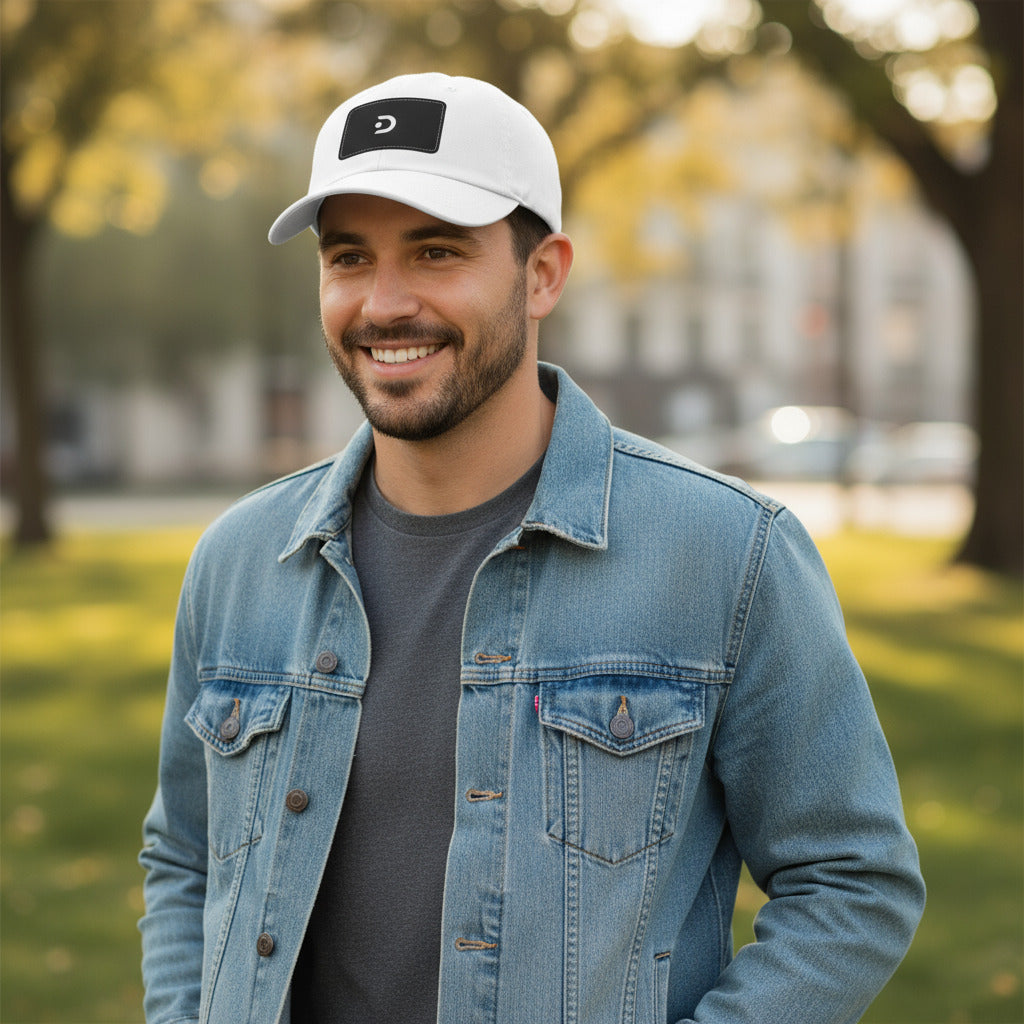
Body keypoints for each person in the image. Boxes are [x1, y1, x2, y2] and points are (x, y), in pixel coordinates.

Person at [139, 72, 925, 1024]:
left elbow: (851, 883)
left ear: (543, 272)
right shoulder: (237, 561)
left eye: (435, 252)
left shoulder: (731, 555)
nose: (384, 303)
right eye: (349, 257)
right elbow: (186, 857)